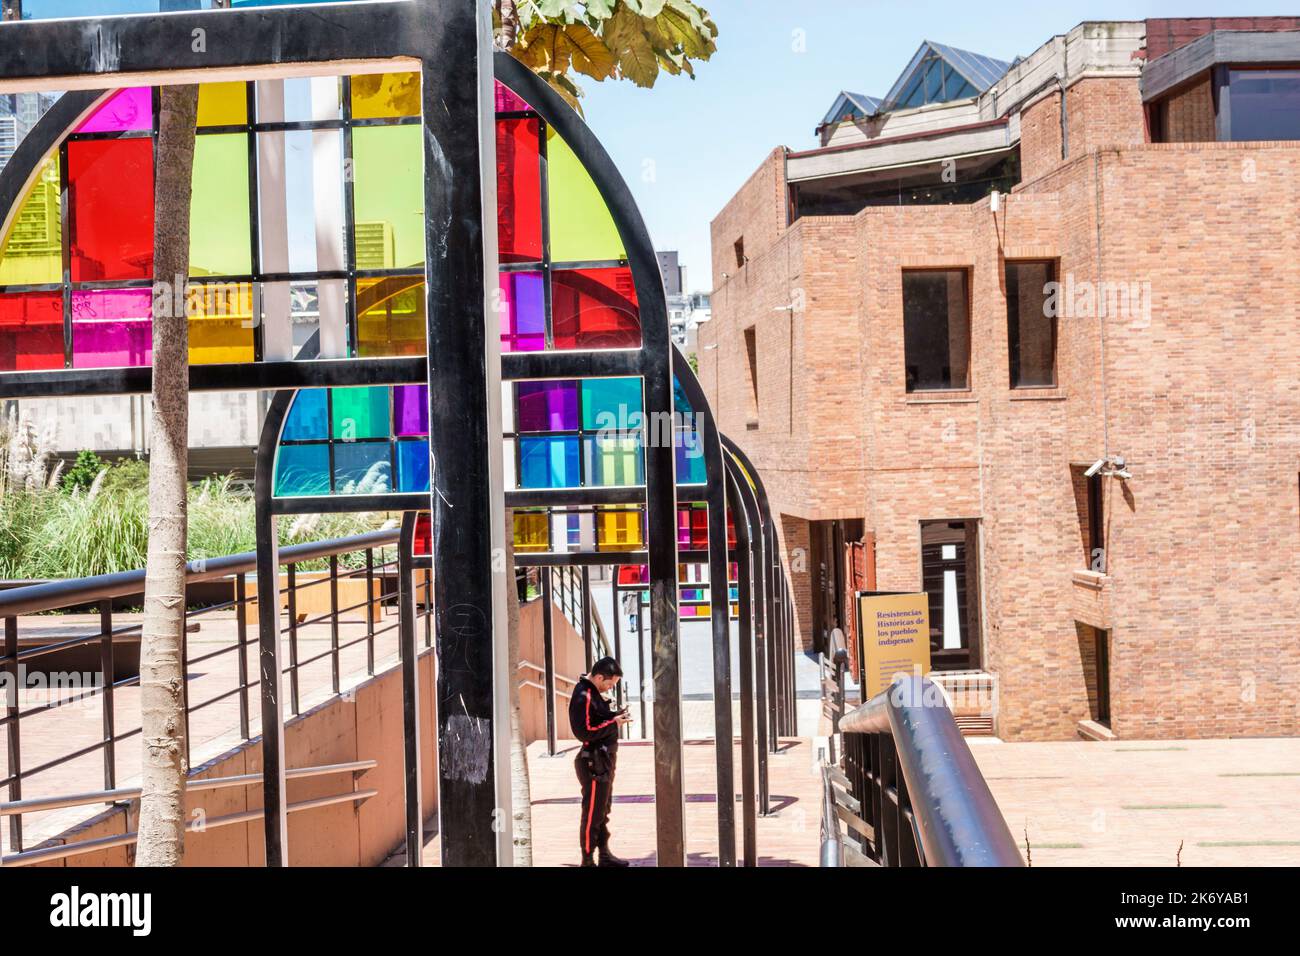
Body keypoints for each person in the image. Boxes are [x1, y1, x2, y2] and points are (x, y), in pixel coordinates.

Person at [569, 656, 633, 867]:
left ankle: (604, 854)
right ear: (598, 677)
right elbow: (584, 732)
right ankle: (587, 860)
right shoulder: (584, 695)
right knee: (592, 814)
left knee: (603, 810)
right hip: (593, 762)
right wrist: (614, 723)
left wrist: (615, 716)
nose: (610, 688)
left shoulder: (593, 693)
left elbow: (599, 721)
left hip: (603, 761)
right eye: (609, 683)